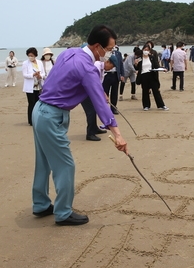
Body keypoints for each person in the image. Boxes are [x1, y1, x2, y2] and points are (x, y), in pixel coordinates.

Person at [32, 25, 128, 226]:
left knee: (44, 161)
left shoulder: (70, 53)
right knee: (65, 165)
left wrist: (97, 91)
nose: (109, 54)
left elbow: (67, 80)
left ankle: (41, 205)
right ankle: (63, 213)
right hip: (51, 115)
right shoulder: (87, 67)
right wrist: (117, 135)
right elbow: (101, 106)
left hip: (40, 109)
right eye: (108, 49)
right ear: (97, 46)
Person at [135, 43, 169, 111]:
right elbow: (137, 68)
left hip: (152, 74)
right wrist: (135, 64)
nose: (146, 51)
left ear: (149, 51)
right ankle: (146, 105)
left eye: (147, 50)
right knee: (145, 91)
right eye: (145, 49)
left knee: (156, 90)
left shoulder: (151, 58)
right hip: (144, 76)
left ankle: (161, 105)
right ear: (142, 50)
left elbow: (156, 66)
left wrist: (163, 69)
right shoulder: (139, 58)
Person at [22, 47, 46, 126]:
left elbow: (43, 73)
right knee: (31, 103)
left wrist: (40, 76)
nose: (30, 57)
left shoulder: (39, 62)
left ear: (35, 55)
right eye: (29, 55)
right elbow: (25, 75)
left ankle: (37, 118)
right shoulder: (25, 63)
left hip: (39, 86)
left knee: (38, 103)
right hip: (30, 87)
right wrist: (33, 75)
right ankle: (31, 120)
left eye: (32, 55)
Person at [102, 45, 124, 114]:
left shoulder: (118, 53)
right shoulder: (104, 53)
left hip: (115, 74)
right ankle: (104, 108)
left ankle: (113, 108)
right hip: (106, 74)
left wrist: (122, 74)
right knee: (105, 91)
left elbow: (121, 64)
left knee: (114, 92)